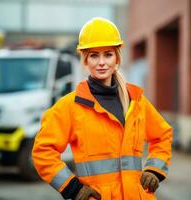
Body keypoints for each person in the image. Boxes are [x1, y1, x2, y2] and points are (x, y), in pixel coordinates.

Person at [32, 17, 173, 200]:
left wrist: (155, 170)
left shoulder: (135, 101)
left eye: (108, 54)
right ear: (85, 60)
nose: (101, 62)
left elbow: (162, 136)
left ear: (117, 58)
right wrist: (72, 188)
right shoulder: (71, 106)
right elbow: (43, 151)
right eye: (94, 55)